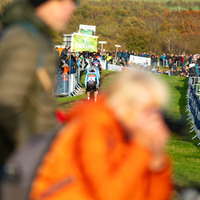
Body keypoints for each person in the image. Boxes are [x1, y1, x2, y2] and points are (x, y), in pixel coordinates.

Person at [29, 70, 173, 200]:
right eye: (148, 111)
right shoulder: (94, 123)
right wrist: (141, 146)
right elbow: (108, 194)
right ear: (126, 104)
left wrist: (157, 163)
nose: (154, 120)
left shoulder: (129, 136)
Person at [0, 0, 76, 166]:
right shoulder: (25, 40)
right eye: (64, 1)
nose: (71, 7)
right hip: (16, 164)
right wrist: (31, 152)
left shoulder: (36, 36)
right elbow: (5, 105)